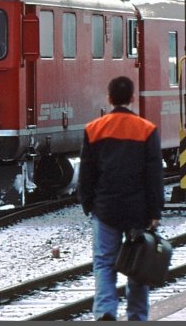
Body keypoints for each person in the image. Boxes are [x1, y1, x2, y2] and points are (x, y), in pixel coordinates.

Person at [78, 76, 164, 321]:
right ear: (132, 98)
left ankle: (105, 312)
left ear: (109, 98)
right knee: (138, 265)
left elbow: (87, 172)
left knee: (104, 263)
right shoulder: (146, 129)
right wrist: (155, 211)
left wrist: (88, 203)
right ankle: (137, 316)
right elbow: (153, 175)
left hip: (105, 209)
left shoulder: (94, 129)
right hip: (138, 210)